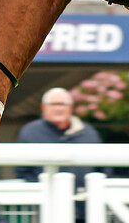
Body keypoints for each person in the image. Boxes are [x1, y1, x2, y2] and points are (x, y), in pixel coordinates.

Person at [15, 87, 107, 223]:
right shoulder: (30, 132)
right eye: (53, 104)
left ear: (71, 107)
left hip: (85, 210)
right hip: (46, 210)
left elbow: (103, 167)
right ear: (43, 107)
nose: (59, 108)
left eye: (63, 104)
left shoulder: (88, 132)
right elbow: (23, 171)